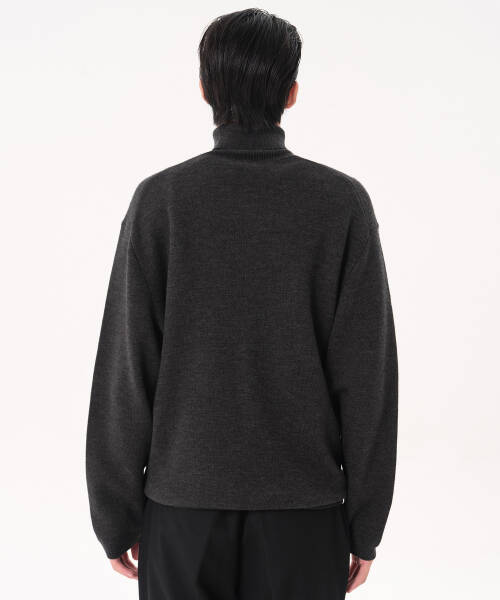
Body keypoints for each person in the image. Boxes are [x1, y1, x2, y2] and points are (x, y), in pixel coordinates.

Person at [86, 8, 398, 599]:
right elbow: (367, 381)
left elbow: (127, 369)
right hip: (304, 518)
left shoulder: (161, 201)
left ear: (205, 88)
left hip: (182, 513)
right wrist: (365, 523)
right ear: (292, 93)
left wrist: (114, 514)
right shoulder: (340, 204)